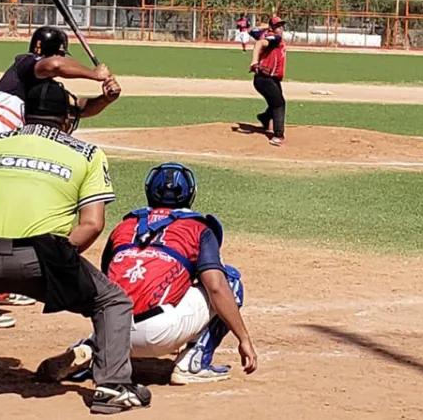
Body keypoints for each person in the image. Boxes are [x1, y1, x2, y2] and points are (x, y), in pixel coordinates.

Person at [0, 81, 151, 415]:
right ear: (66, 118)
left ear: (24, 114)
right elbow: (92, 224)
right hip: (43, 259)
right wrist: (58, 258)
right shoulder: (88, 154)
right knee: (112, 301)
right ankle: (111, 387)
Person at [0, 25, 121, 328]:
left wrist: (105, 98)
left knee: (11, 221)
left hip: (3, 162)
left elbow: (76, 109)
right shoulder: (24, 66)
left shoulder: (43, 91)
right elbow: (53, 64)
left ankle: (1, 285)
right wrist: (94, 73)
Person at [35, 163, 258, 386]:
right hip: (160, 333)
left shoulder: (125, 226)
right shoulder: (197, 228)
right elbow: (216, 286)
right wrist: (244, 339)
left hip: (113, 329)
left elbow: (105, 282)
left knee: (117, 299)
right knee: (229, 281)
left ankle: (93, 348)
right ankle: (193, 363)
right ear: (190, 193)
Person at [249, 15, 287, 147]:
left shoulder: (264, 34)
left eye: (281, 26)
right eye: (277, 26)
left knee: (275, 101)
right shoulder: (275, 38)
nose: (280, 29)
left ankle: (264, 118)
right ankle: (278, 135)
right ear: (272, 28)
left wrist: (268, 26)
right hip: (265, 78)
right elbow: (260, 43)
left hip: (270, 78)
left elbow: (251, 30)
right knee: (279, 104)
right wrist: (254, 61)